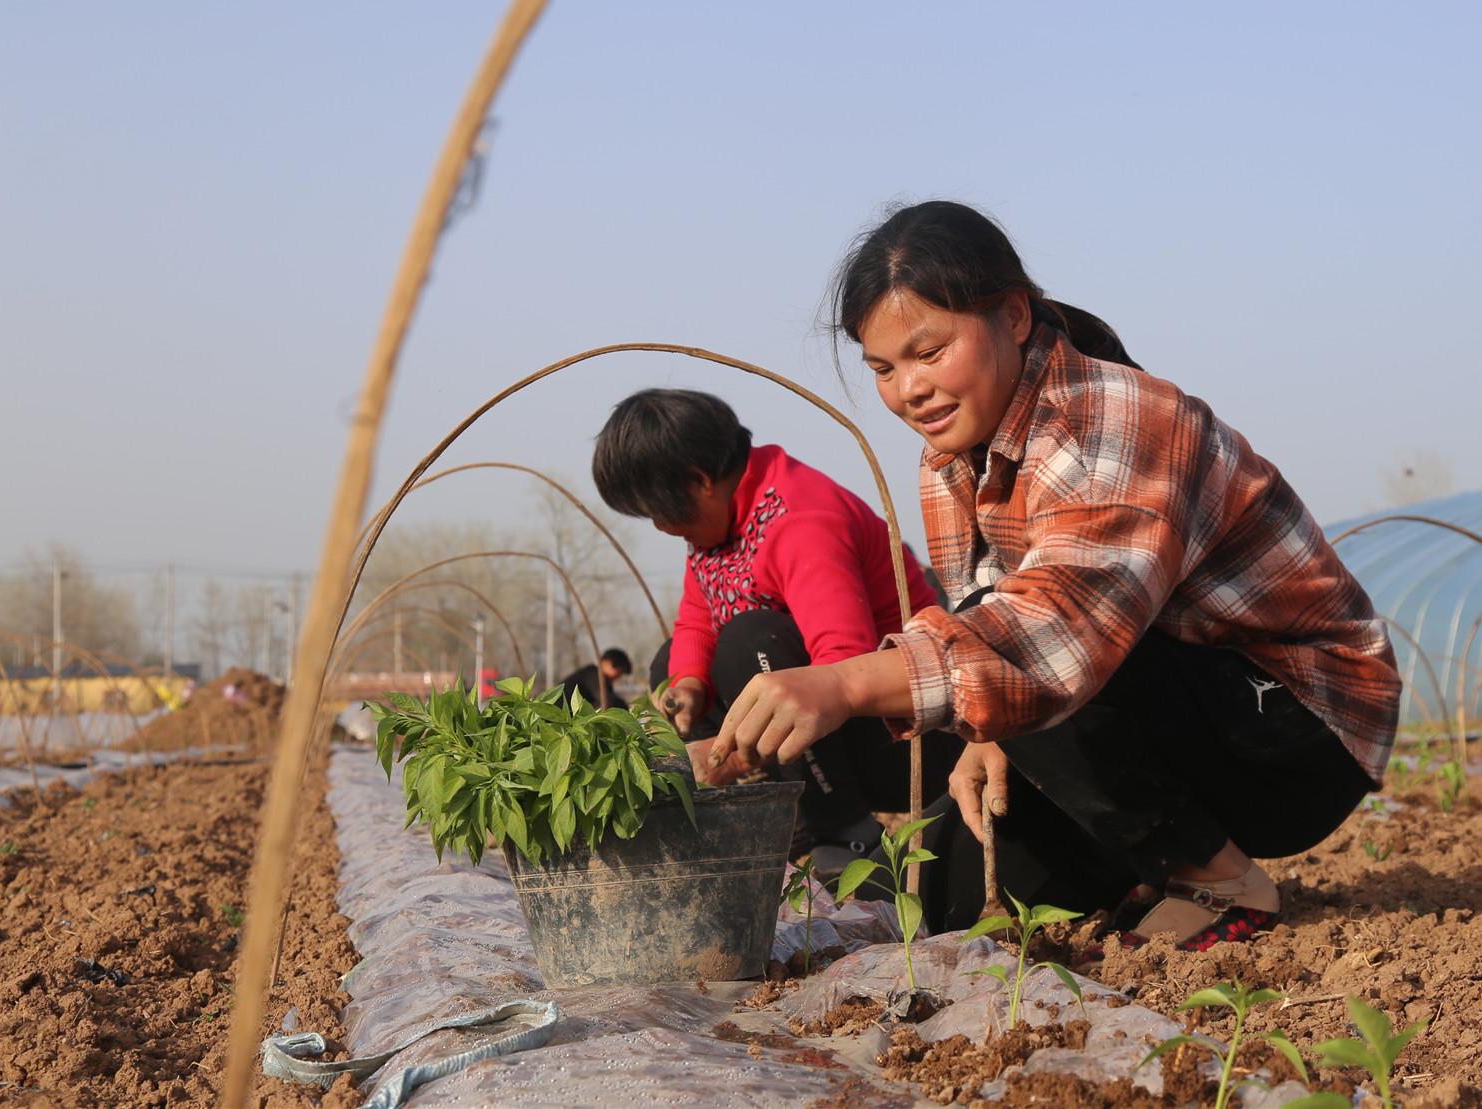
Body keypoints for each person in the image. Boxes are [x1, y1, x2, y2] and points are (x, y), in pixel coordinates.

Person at [705, 201, 1403, 950]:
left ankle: (1225, 880)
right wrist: (992, 738)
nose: (908, 389)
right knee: (954, 891)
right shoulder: (952, 455)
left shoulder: (1114, 421)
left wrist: (839, 683)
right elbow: (990, 598)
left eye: (929, 351)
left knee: (1009, 635)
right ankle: (1150, 862)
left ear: (1012, 316)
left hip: (1292, 726)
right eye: (884, 368)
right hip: (1148, 698)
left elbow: (1048, 632)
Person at [591, 389, 959, 867]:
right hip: (817, 736)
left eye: (661, 510)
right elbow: (697, 619)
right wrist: (687, 686)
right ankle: (739, 822)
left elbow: (845, 666)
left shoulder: (799, 518)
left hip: (903, 736)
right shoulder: (718, 523)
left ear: (699, 481)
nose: (662, 527)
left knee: (752, 640)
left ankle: (843, 834)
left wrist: (733, 758)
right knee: (673, 663)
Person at [557, 647, 633, 710]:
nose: (617, 677)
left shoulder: (600, 678)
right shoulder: (594, 674)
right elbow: (606, 701)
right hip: (558, 716)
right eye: (618, 672)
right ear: (606, 662)